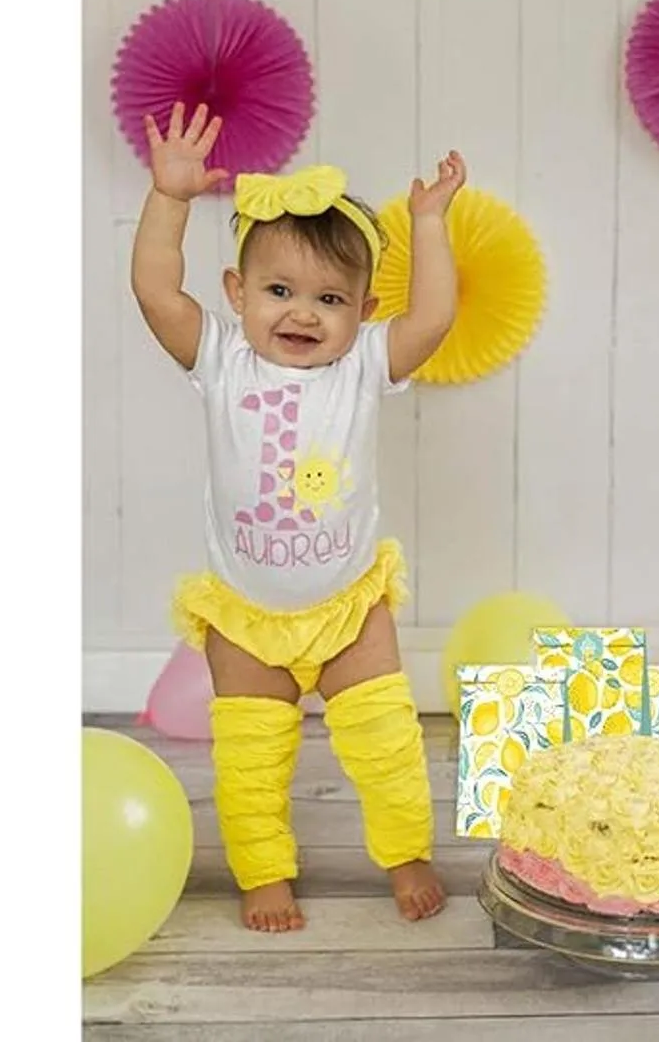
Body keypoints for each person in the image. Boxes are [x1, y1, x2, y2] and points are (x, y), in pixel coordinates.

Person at [129, 101, 465, 931]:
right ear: (237, 292)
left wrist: (428, 225)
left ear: (363, 309)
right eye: (279, 291)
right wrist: (170, 198)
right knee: (250, 758)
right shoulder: (220, 356)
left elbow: (432, 318)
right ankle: (264, 874)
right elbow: (154, 289)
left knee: (386, 742)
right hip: (247, 615)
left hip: (348, 605)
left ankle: (406, 853)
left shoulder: (364, 366)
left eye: (330, 298)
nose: (303, 313)